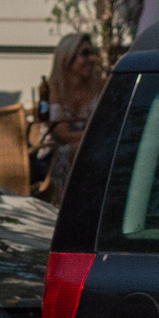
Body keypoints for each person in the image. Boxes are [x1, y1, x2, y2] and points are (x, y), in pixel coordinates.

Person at [39, 32, 105, 206]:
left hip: (97, 149)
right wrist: (94, 137)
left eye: (93, 53)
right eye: (85, 54)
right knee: (77, 150)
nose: (91, 59)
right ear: (67, 58)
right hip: (58, 153)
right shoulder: (52, 89)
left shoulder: (101, 86)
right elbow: (61, 134)